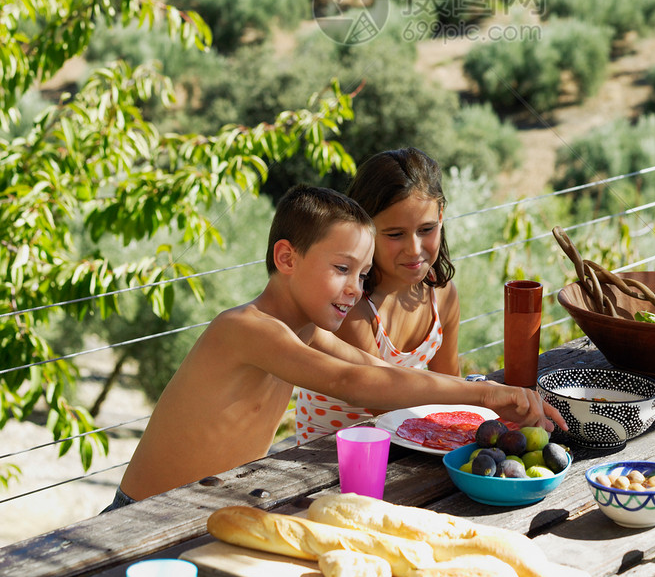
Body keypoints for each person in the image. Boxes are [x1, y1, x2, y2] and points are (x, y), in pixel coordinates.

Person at [104, 183, 562, 509]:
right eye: (341, 268)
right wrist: (484, 394)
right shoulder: (245, 327)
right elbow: (353, 383)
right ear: (287, 257)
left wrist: (487, 399)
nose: (354, 288)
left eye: (362, 275)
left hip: (208, 508)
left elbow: (380, 370)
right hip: (141, 514)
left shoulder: (306, 331)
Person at [295, 148, 458, 444]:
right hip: (329, 458)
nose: (414, 248)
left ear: (441, 218)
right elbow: (383, 401)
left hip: (408, 440)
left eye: (426, 229)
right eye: (395, 234)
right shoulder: (350, 303)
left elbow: (450, 385)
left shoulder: (441, 293)